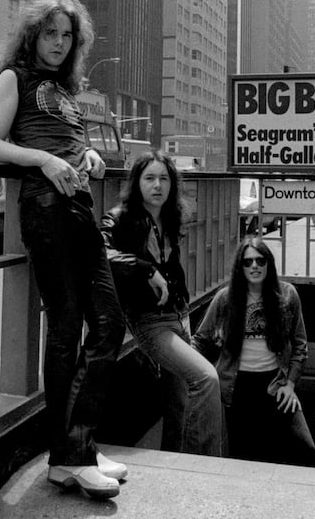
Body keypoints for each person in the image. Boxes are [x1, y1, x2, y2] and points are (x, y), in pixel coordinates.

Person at [0, 0, 126, 500]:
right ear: (33, 36)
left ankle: (76, 447)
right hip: (45, 209)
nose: (59, 43)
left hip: (79, 209)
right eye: (50, 34)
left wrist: (88, 156)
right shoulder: (13, 78)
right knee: (66, 328)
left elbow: (68, 142)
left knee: (108, 323)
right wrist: (43, 160)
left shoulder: (65, 90)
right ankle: (68, 456)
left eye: (67, 35)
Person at [100, 151, 222, 456]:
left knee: (179, 403)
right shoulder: (119, 218)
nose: (157, 185)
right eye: (150, 178)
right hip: (150, 322)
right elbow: (99, 253)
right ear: (137, 182)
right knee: (206, 378)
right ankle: (205, 465)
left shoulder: (169, 217)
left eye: (164, 178)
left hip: (180, 316)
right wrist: (144, 268)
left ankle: (175, 463)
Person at [192, 236, 315, 465]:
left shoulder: (287, 295)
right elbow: (200, 340)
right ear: (240, 267)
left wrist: (290, 384)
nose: (254, 266)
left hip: (274, 384)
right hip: (236, 386)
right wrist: (194, 373)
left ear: (269, 263)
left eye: (260, 260)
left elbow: (300, 345)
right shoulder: (225, 298)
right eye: (247, 262)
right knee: (243, 454)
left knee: (303, 447)